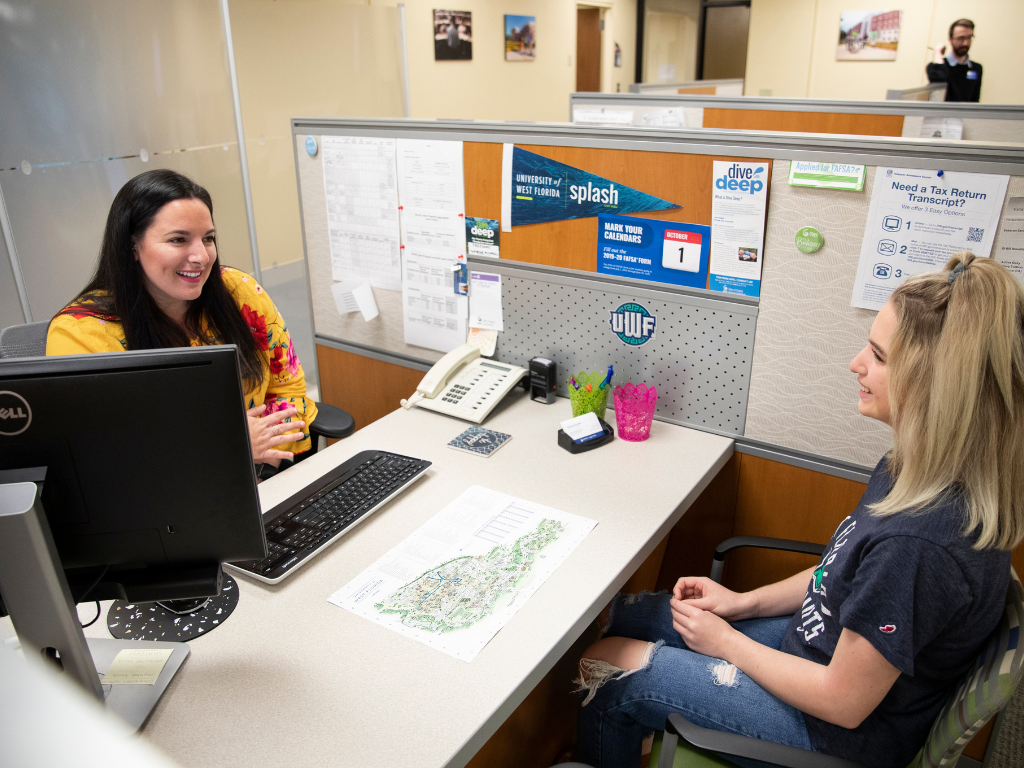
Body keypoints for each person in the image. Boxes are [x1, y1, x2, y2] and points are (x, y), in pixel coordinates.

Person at [575, 252, 1024, 768]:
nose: (856, 364)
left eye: (878, 356)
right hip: (816, 650)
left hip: (833, 732)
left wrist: (727, 644)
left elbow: (844, 702)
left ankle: (622, 725)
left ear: (933, 388)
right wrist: (741, 605)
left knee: (603, 668)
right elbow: (839, 571)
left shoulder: (919, 544)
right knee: (625, 616)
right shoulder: (917, 468)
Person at [46, 169, 317, 478]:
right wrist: (231, 445)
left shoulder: (240, 292)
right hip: (162, 505)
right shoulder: (81, 334)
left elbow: (290, 391)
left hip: (260, 474)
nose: (201, 256)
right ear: (133, 246)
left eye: (208, 239)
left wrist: (261, 448)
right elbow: (102, 456)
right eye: (178, 240)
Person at [926, 19, 982, 102]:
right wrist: (937, 53)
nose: (966, 43)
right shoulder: (936, 67)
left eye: (969, 38)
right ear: (950, 40)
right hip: (943, 114)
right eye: (961, 38)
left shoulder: (976, 68)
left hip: (966, 115)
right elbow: (937, 91)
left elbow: (975, 100)